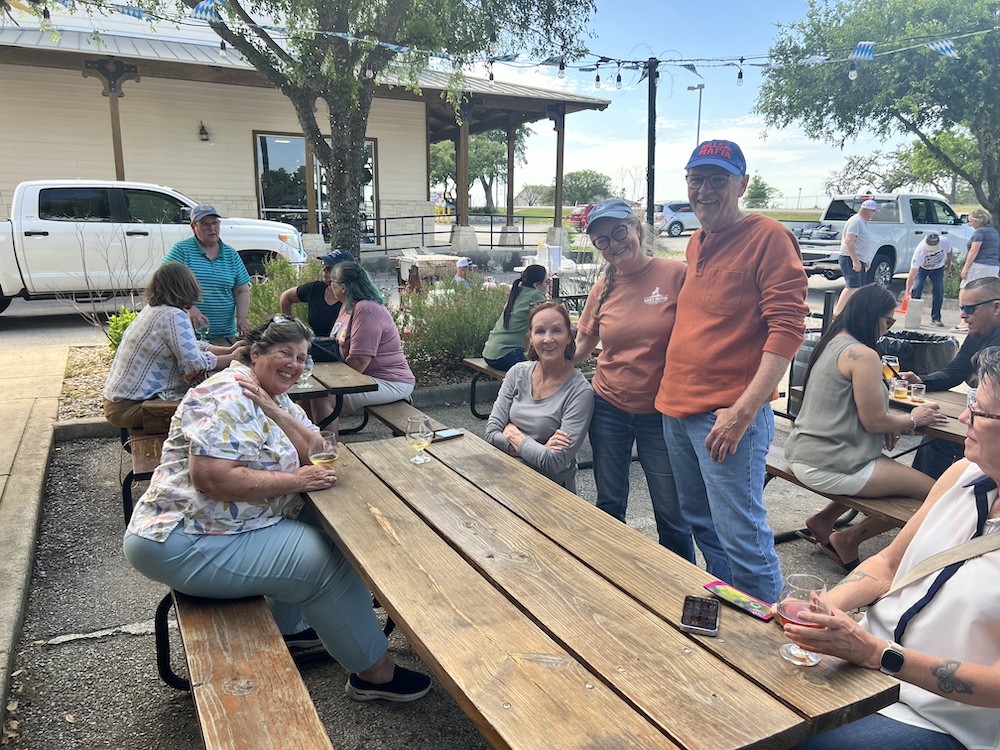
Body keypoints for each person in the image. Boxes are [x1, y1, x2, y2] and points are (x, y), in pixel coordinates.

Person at [122, 316, 431, 702]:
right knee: (327, 561)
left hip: (223, 528)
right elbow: (212, 478)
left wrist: (279, 413)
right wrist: (296, 482)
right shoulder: (228, 395)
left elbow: (320, 454)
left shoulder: (270, 395)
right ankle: (374, 675)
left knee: (318, 529)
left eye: (302, 358)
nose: (295, 365)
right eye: (286, 353)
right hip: (183, 538)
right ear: (256, 353)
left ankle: (293, 629)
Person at [783, 347, 1000, 750]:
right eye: (970, 403)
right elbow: (888, 562)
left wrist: (877, 653)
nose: (964, 418)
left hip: (940, 716)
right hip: (863, 666)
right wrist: (823, 611)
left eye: (981, 411)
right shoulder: (962, 476)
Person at [656, 139, 809, 603]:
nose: (705, 190)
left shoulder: (768, 236)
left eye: (718, 179)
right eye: (696, 179)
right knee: (702, 522)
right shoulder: (696, 241)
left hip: (726, 418)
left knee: (742, 536)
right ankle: (737, 614)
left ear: (742, 184)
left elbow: (787, 330)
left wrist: (743, 412)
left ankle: (775, 641)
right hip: (677, 411)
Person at [785, 284, 947, 571]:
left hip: (803, 452)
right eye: (888, 321)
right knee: (937, 493)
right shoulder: (864, 355)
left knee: (888, 469)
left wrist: (889, 423)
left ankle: (824, 520)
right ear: (872, 316)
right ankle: (848, 539)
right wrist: (913, 419)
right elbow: (873, 421)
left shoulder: (832, 341)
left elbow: (862, 415)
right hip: (832, 463)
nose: (889, 328)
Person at [572, 198, 692, 557]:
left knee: (671, 511)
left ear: (637, 227)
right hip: (607, 407)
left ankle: (677, 582)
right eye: (602, 241)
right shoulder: (603, 287)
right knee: (609, 502)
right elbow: (581, 345)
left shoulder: (676, 275)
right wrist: (537, 372)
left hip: (661, 413)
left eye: (618, 232)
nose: (613, 244)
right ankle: (612, 576)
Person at [102, 262, 244, 428]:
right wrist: (232, 358)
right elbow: (193, 364)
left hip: (119, 403)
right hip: (134, 406)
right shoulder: (173, 315)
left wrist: (227, 350)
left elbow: (187, 345)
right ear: (188, 287)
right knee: (217, 413)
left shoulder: (155, 310)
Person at [486, 302, 594, 492]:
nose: (548, 339)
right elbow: (490, 433)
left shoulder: (580, 391)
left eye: (557, 331)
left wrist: (514, 435)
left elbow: (555, 462)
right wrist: (539, 448)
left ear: (569, 336)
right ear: (531, 338)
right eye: (540, 331)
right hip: (508, 479)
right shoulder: (516, 373)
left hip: (551, 491)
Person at [900, 277, 1000, 478]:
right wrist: (920, 380)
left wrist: (972, 377)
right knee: (937, 436)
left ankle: (925, 499)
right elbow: (955, 372)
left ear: (996, 308)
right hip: (981, 418)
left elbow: (983, 384)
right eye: (962, 308)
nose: (963, 315)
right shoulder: (979, 332)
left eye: (970, 309)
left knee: (943, 441)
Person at [315, 261, 415, 426]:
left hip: (390, 381)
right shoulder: (348, 306)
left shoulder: (366, 309)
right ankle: (309, 441)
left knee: (324, 397)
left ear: (343, 287)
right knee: (309, 394)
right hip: (368, 377)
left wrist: (332, 384)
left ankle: (327, 447)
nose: (329, 287)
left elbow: (360, 360)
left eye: (331, 283)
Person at [163, 205, 252, 345]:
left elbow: (241, 290)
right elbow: (164, 284)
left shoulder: (231, 254)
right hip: (188, 336)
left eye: (215, 223)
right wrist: (188, 307)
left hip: (225, 335)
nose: (212, 228)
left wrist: (242, 318)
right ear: (193, 227)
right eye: (205, 224)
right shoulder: (181, 251)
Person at [481, 265, 549, 371]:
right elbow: (546, 323)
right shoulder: (537, 296)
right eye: (547, 282)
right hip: (506, 355)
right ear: (536, 285)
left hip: (489, 353)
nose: (548, 285)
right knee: (548, 364)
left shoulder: (518, 292)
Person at [279, 250, 354, 336]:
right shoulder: (315, 288)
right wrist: (288, 327)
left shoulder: (354, 299)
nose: (324, 269)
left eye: (330, 268)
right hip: (316, 346)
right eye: (324, 265)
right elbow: (286, 297)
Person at [834, 199, 878, 316]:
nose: (873, 215)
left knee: (859, 289)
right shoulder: (856, 221)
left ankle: (851, 312)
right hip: (850, 258)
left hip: (859, 259)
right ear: (869, 211)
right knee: (852, 286)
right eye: (873, 212)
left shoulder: (862, 222)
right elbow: (849, 241)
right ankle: (837, 313)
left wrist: (865, 260)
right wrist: (855, 261)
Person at [905, 232, 952, 327]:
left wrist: (948, 267)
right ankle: (914, 317)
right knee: (918, 286)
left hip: (938, 268)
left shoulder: (945, 242)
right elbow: (912, 273)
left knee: (938, 288)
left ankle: (936, 318)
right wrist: (907, 291)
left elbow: (949, 253)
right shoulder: (920, 250)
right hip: (922, 269)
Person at [960, 208, 1000, 289]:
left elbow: (974, 250)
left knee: (967, 289)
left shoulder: (980, 232)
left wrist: (965, 268)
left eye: (971, 221)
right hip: (994, 266)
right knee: (988, 291)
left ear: (978, 221)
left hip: (979, 265)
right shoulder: (994, 231)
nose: (970, 224)